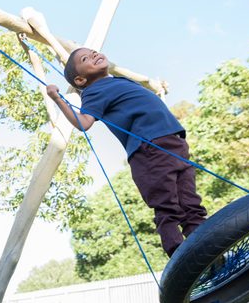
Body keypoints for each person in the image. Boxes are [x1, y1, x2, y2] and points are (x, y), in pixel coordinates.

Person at [44, 47, 206, 258]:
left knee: (190, 203)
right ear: (81, 80)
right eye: (86, 58)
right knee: (167, 205)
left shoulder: (117, 81)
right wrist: (58, 99)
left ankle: (207, 251)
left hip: (173, 142)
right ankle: (180, 257)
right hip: (149, 148)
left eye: (93, 52)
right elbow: (83, 123)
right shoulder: (94, 91)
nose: (93, 55)